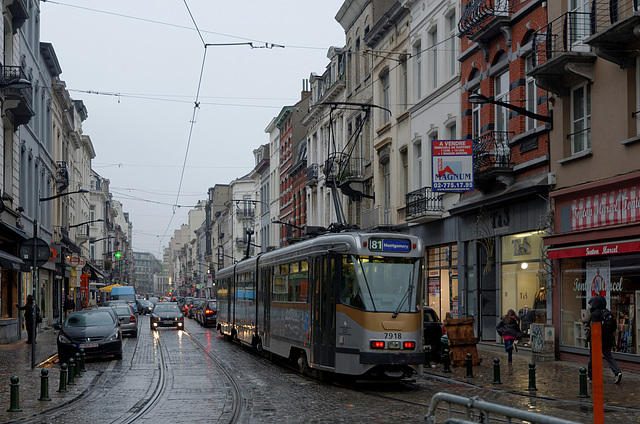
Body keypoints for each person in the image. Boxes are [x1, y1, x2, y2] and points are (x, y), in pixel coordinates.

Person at [587, 295, 622, 384]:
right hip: (608, 339)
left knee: (593, 357)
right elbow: (613, 327)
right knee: (608, 356)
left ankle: (591, 376)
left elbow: (594, 328)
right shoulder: (608, 313)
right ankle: (617, 372)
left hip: (597, 340)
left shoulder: (595, 313)